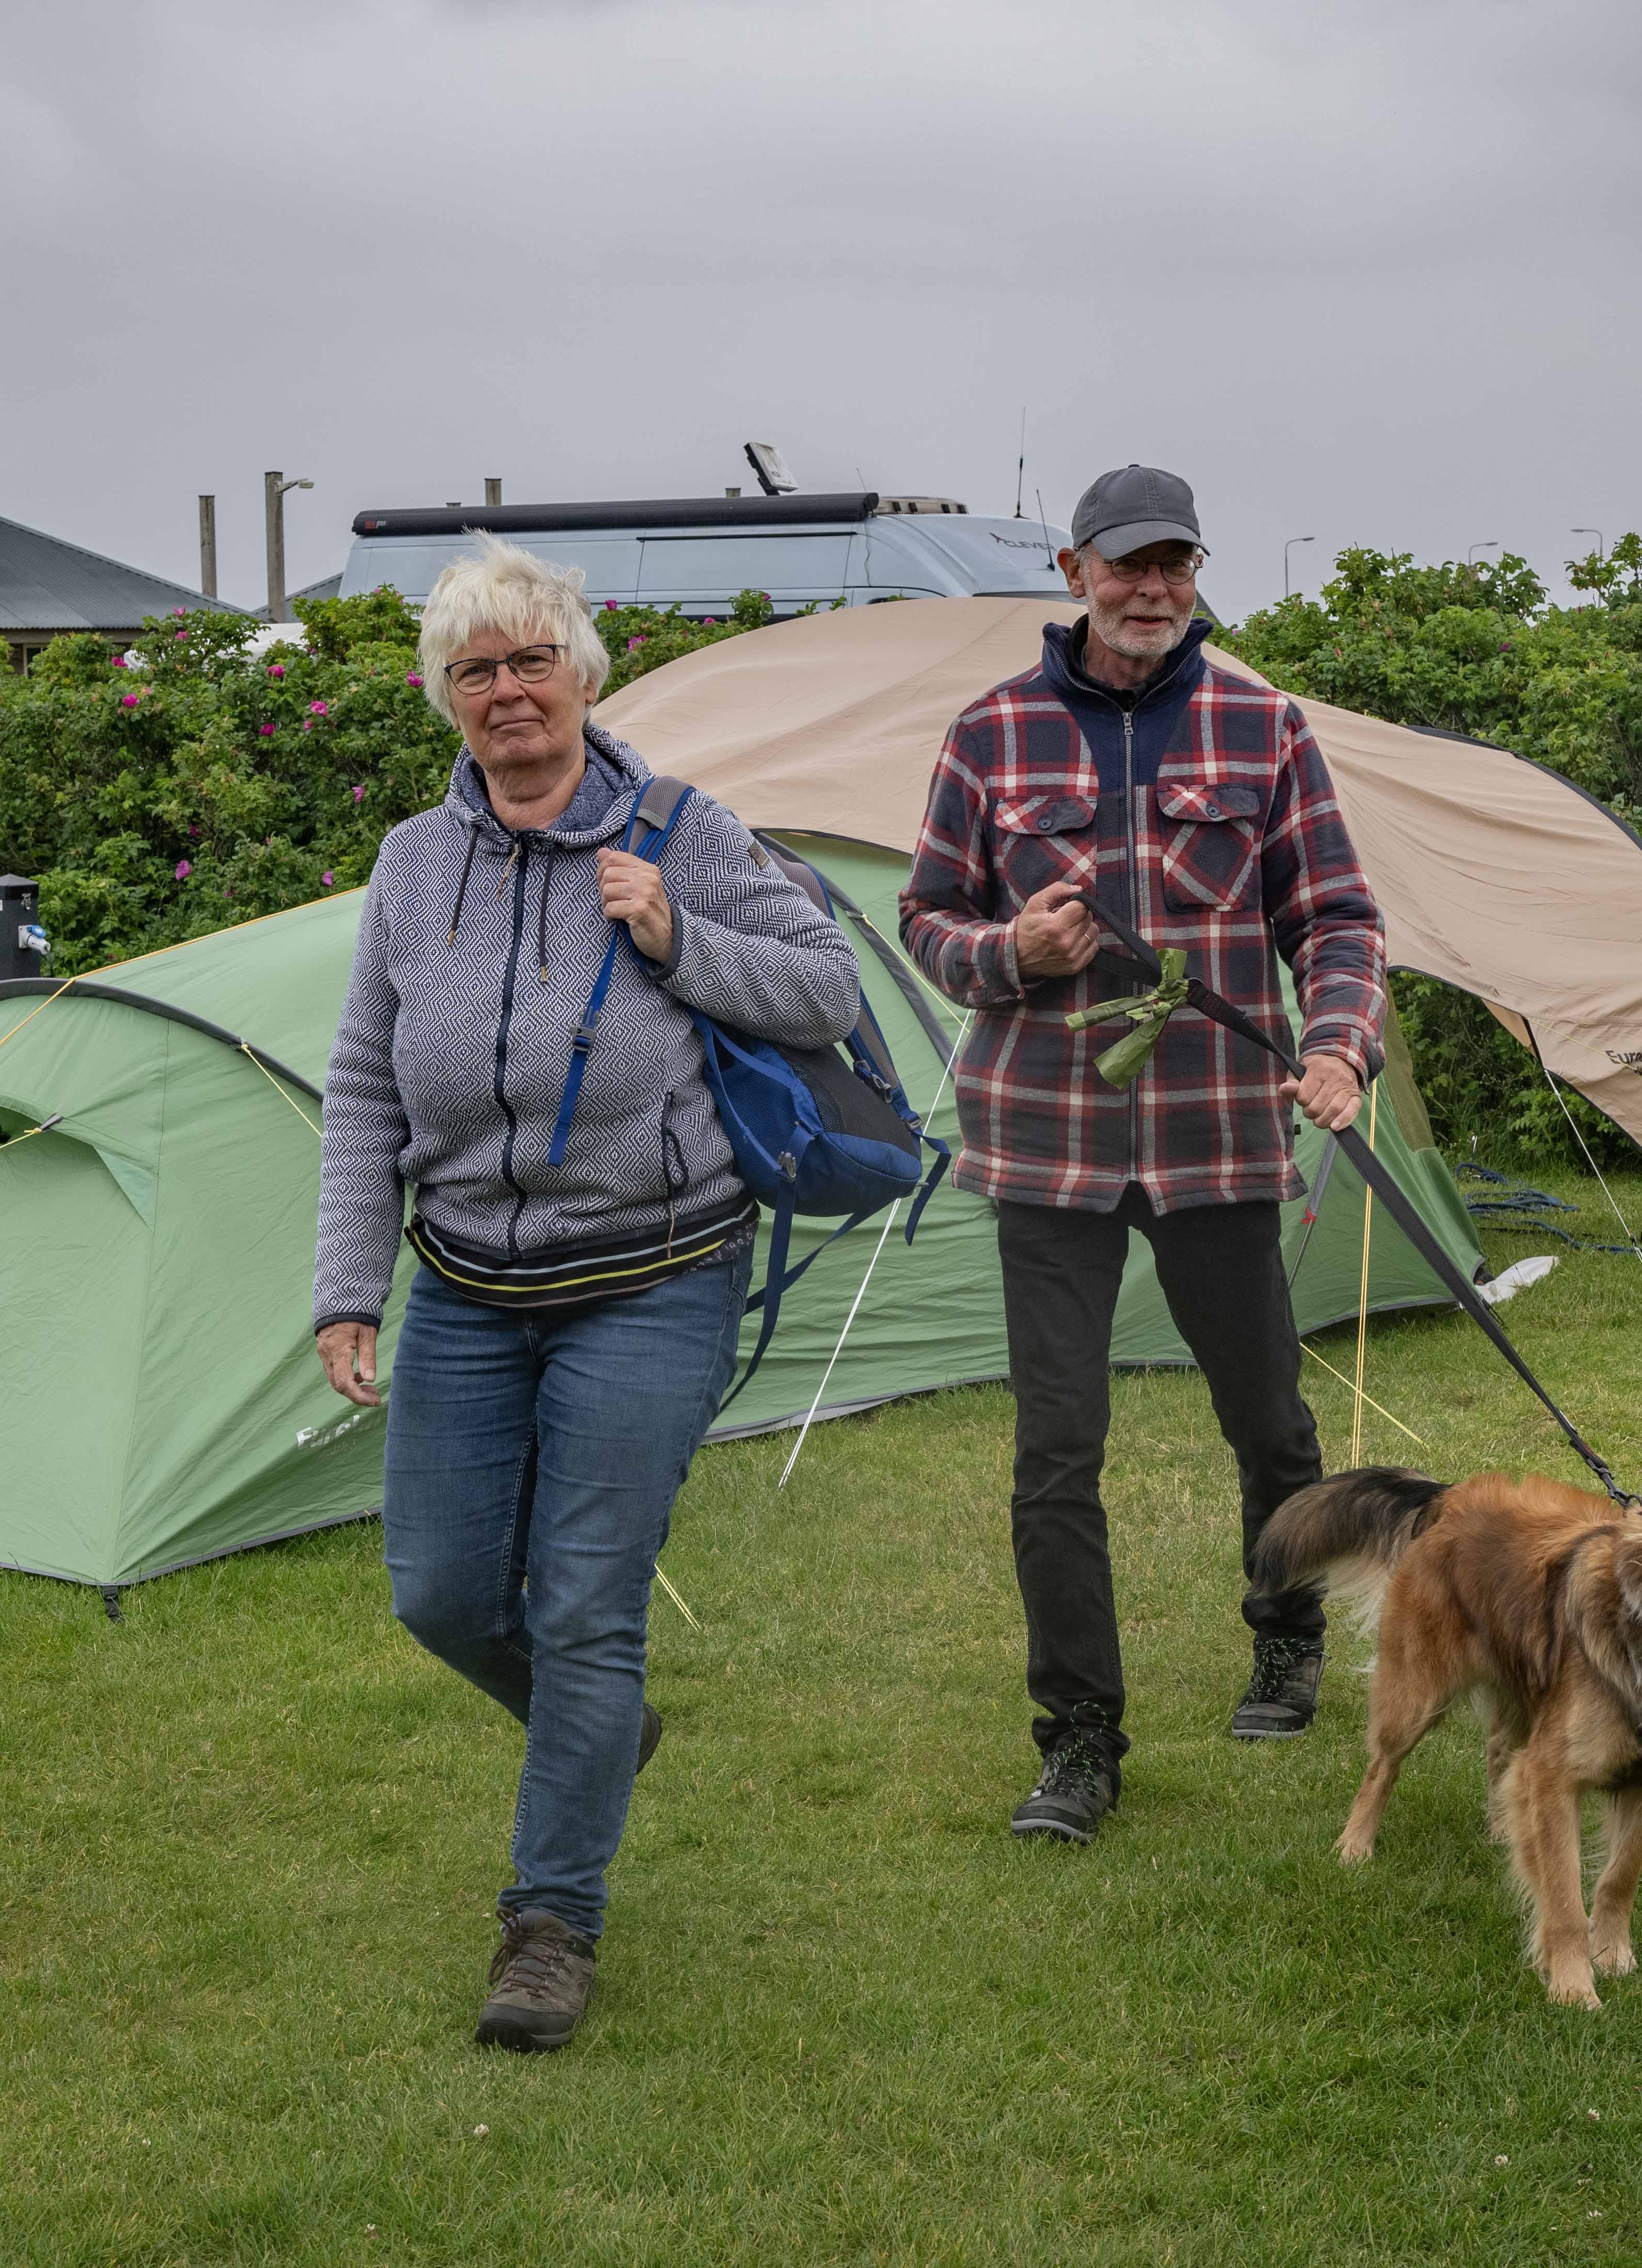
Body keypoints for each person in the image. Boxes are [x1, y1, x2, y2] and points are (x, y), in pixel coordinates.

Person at [312, 536, 864, 2051]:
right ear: (446, 697)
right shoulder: (414, 864)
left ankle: (550, 1923)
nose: (507, 691)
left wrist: (679, 938)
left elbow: (828, 988)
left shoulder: (681, 830)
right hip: (469, 1286)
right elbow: (365, 1083)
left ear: (582, 671)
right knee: (435, 1587)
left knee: (586, 1599)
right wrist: (347, 1285)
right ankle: (600, 1732)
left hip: (656, 1274)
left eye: (529, 660)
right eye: (475, 670)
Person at [896, 463, 1388, 1846]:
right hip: (1046, 1148)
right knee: (1057, 1449)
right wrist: (1016, 951)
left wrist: (1342, 1041)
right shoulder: (990, 735)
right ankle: (1080, 1741)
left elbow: (1339, 917)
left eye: (1175, 565)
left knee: (1269, 1417)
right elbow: (927, 921)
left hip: (1219, 1133)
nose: (1154, 590)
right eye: (1129, 566)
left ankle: (1285, 1629)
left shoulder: (1261, 723)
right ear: (1073, 573)